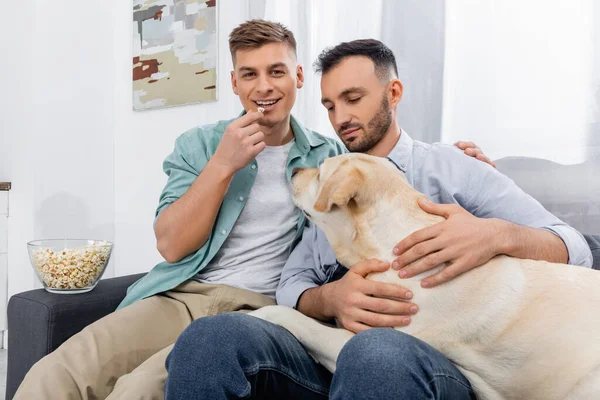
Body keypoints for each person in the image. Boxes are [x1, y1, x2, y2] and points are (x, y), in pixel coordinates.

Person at [164, 39, 593, 399]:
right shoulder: (329, 175)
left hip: (430, 365)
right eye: (330, 106)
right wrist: (331, 299)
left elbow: (573, 246)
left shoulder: (452, 166)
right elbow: (291, 285)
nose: (341, 118)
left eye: (353, 99)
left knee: (376, 353)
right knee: (209, 338)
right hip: (333, 351)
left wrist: (496, 234)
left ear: (394, 93)